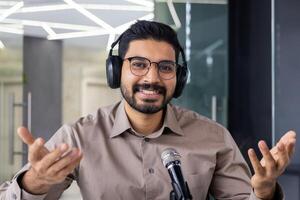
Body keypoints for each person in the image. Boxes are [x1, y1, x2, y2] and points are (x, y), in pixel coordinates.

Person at [0, 20, 296, 200]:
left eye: (165, 68)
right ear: (116, 71)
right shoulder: (80, 136)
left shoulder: (212, 137)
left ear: (178, 79)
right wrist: (33, 183)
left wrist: (264, 191)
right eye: (139, 64)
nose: (152, 78)